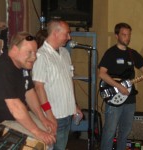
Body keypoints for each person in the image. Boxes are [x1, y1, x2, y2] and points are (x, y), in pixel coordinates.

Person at [98, 22, 143, 150]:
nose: (127, 38)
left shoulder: (133, 53)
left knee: (125, 132)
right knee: (109, 131)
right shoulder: (111, 53)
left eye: (129, 35)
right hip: (114, 98)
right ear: (116, 35)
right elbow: (102, 74)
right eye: (124, 35)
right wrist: (119, 87)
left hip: (130, 99)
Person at [0, 31, 57, 146]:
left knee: (49, 134)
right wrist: (37, 132)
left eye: (35, 52)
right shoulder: (4, 68)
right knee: (39, 142)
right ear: (15, 50)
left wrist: (43, 118)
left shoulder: (22, 65)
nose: (34, 57)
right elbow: (15, 106)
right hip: (0, 121)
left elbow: (29, 93)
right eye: (29, 52)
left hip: (15, 116)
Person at [32, 19, 83, 150]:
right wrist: (49, 115)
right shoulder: (41, 55)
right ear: (55, 33)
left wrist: (74, 105)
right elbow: (39, 87)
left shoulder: (65, 53)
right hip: (53, 116)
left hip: (67, 114)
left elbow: (69, 81)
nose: (69, 37)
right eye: (67, 34)